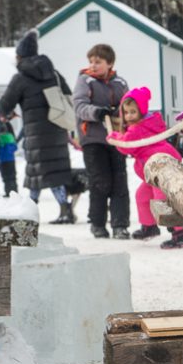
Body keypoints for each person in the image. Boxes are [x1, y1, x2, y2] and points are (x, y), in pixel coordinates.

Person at [0, 30, 74, 219]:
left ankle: (29, 212)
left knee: (35, 172)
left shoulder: (20, 78)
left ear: (20, 56)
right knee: (53, 172)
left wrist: (6, 114)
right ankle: (64, 209)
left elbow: (5, 104)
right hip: (57, 128)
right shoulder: (53, 73)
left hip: (35, 134)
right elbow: (67, 95)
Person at [106, 87, 183, 249]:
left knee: (163, 200)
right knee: (142, 196)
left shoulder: (139, 128)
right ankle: (149, 226)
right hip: (153, 173)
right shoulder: (149, 123)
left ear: (141, 112)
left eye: (133, 112)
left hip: (161, 169)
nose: (129, 116)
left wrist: (113, 136)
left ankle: (180, 234)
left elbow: (126, 146)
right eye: (126, 112)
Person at [72, 43, 130, 239]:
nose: (93, 65)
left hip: (116, 139)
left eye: (98, 62)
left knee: (119, 181)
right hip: (93, 138)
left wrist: (121, 113)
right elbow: (79, 106)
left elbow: (128, 104)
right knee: (100, 181)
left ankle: (120, 224)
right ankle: (97, 223)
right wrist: (97, 112)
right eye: (91, 62)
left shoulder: (120, 83)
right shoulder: (85, 81)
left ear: (110, 63)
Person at [0, 115, 19, 196]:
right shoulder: (11, 137)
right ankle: (15, 191)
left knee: (6, 177)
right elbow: (15, 147)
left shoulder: (0, 139)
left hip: (3, 160)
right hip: (11, 159)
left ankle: (8, 191)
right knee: (13, 175)